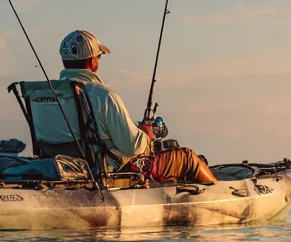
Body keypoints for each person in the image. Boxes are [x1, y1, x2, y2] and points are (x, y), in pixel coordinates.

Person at [55, 29, 217, 185]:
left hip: (63, 167)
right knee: (187, 158)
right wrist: (146, 135)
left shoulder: (46, 95)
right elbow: (133, 148)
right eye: (99, 56)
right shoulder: (103, 96)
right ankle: (220, 197)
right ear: (92, 61)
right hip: (108, 170)